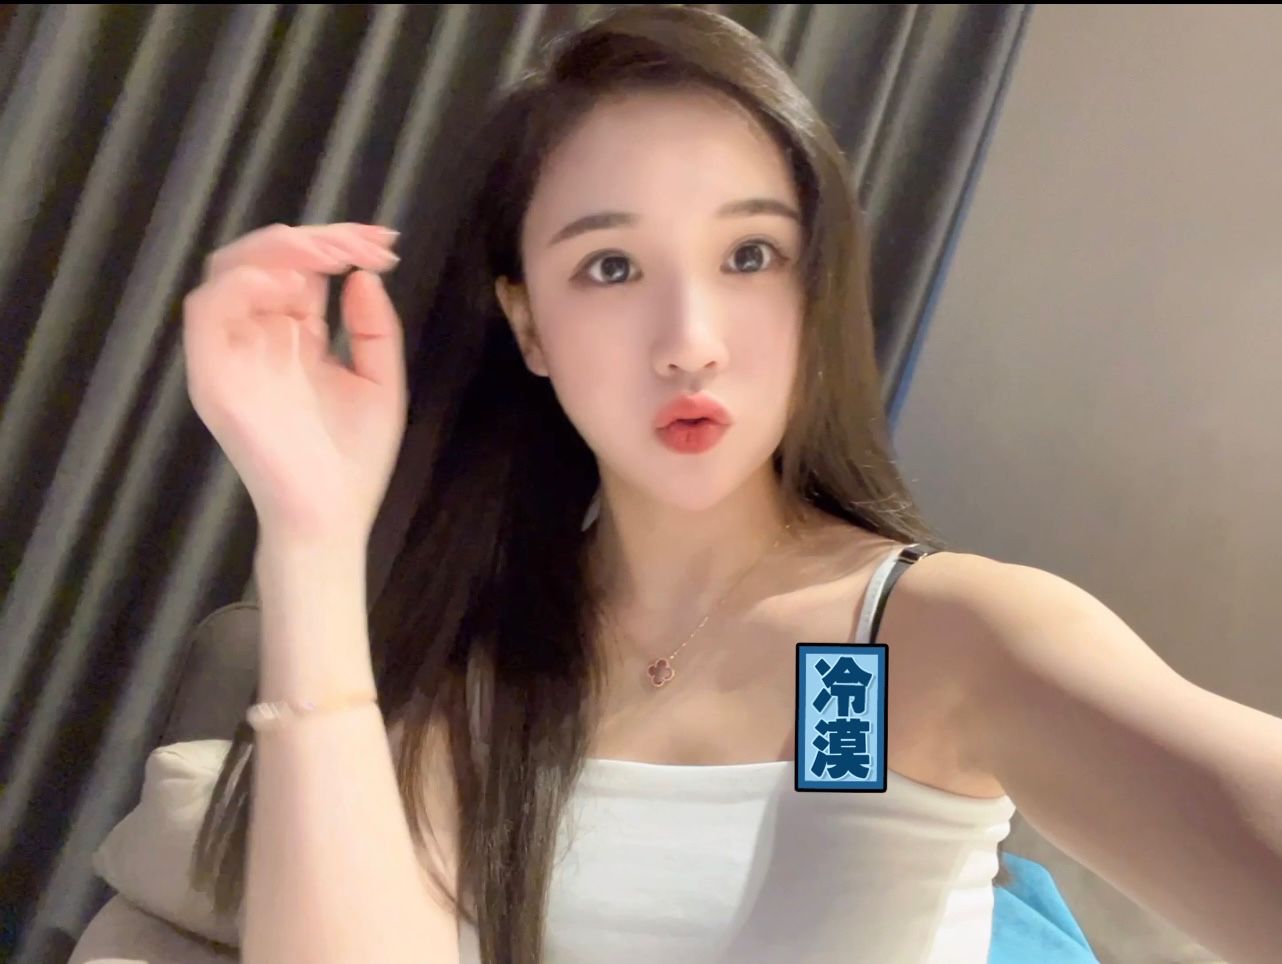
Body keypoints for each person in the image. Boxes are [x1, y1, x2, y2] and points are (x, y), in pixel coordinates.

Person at [176, 6, 1282, 963]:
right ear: (529, 324)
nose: (689, 342)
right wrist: (312, 536)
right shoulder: (480, 678)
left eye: (749, 255)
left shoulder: (906, 646)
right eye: (611, 267)